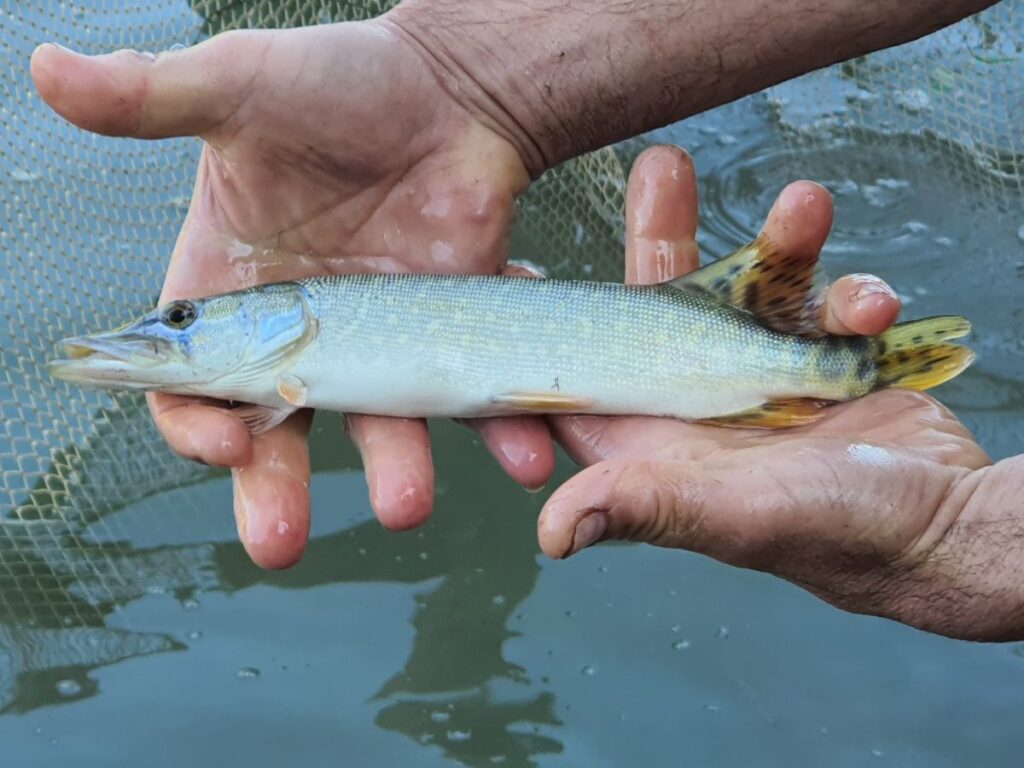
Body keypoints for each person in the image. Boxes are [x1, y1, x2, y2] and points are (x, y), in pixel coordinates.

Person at [29, 0, 1020, 640]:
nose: (173, 328)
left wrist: (967, 542)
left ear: (269, 316)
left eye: (193, 320)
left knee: (783, 364)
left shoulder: (298, 349)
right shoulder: (283, 372)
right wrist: (455, 74)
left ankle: (848, 372)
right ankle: (840, 372)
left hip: (677, 349)